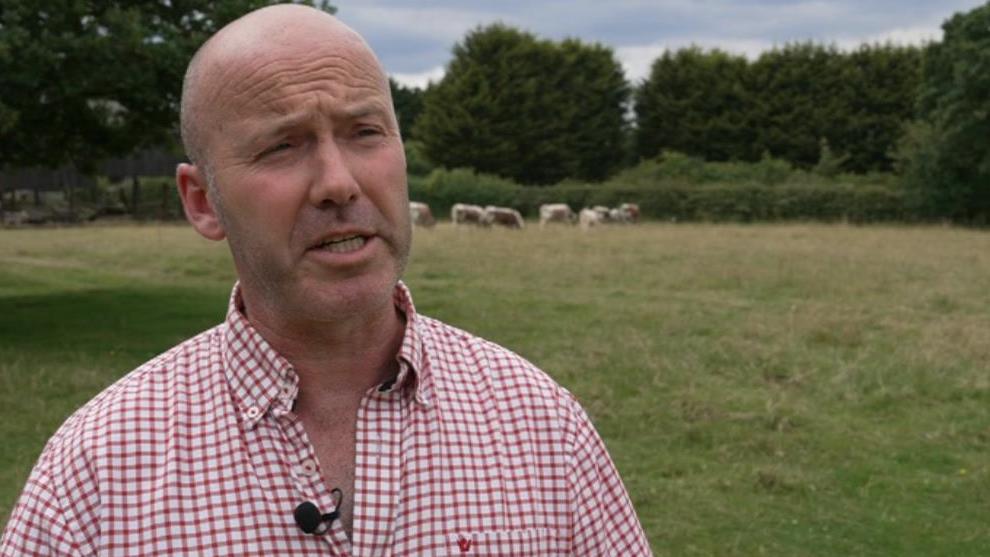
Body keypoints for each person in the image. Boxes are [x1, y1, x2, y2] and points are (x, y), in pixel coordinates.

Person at [0, 5, 651, 555]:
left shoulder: (543, 427)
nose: (339, 182)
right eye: (282, 145)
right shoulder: (93, 476)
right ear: (202, 200)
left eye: (365, 132)